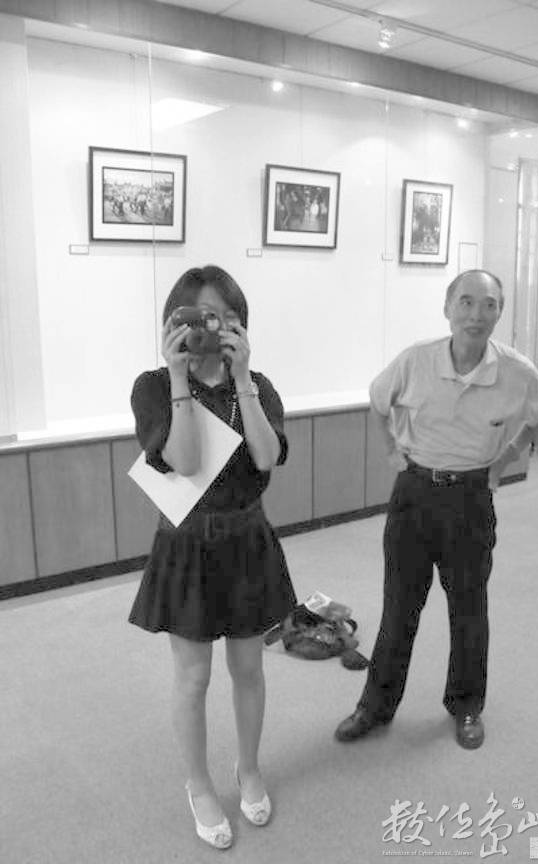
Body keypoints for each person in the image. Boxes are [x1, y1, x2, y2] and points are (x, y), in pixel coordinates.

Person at [335, 269, 538, 750]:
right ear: (448, 308)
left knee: (468, 608)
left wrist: (506, 457)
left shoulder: (515, 370)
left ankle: (466, 705)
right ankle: (375, 706)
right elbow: (378, 401)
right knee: (399, 606)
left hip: (470, 499)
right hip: (414, 494)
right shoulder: (416, 360)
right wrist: (391, 450)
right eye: (466, 302)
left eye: (489, 304)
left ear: (499, 312)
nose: (477, 314)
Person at [129, 265, 297, 850]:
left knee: (249, 668)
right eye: (200, 317)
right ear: (175, 323)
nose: (214, 328)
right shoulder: (153, 386)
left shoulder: (259, 385)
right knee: (193, 675)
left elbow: (267, 457)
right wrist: (180, 377)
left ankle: (248, 769)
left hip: (247, 539)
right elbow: (185, 460)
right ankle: (198, 783)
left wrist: (243, 378)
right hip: (187, 545)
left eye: (227, 318)